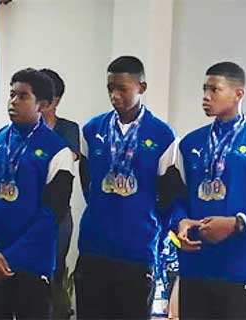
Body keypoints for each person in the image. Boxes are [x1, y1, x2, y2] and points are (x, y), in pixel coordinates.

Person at [170, 62, 246, 319]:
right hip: (193, 267)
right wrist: (180, 222)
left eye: (214, 89)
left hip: (236, 271)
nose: (206, 97)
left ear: (238, 94)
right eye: (204, 89)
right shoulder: (189, 144)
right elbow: (174, 199)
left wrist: (236, 224)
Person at [75, 56, 178, 319]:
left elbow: (168, 196)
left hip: (136, 252)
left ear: (141, 87)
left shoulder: (162, 135)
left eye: (122, 88)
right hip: (93, 247)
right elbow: (88, 183)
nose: (114, 95)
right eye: (110, 88)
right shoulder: (92, 129)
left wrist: (147, 226)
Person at [0, 68, 74, 319]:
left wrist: (8, 258)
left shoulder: (58, 152)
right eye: (11, 95)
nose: (13, 102)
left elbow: (51, 214)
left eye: (23, 97)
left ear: (43, 104)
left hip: (32, 263)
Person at [38, 68, 80, 319]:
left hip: (57, 216)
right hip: (23, 212)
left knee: (53, 273)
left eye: (46, 99)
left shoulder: (68, 129)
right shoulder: (18, 131)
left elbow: (66, 159)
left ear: (56, 101)